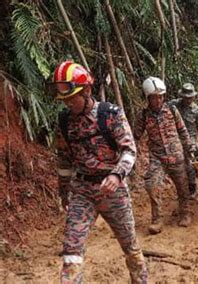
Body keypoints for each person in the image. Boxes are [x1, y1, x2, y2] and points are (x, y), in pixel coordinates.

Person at [52, 61, 147, 283]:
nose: (68, 102)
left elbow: (129, 150)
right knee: (71, 251)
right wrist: (64, 192)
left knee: (130, 245)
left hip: (113, 191)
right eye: (64, 98)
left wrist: (117, 174)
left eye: (72, 97)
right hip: (82, 192)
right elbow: (64, 160)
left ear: (86, 90)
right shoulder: (64, 121)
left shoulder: (110, 115)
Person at [134, 77, 195, 234]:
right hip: (157, 157)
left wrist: (189, 147)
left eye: (161, 96)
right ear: (148, 98)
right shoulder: (143, 116)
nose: (158, 100)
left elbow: (182, 130)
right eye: (155, 97)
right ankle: (157, 219)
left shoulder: (172, 111)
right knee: (151, 185)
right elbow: (136, 135)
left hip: (176, 155)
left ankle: (185, 212)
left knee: (182, 186)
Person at [168, 83, 198, 200]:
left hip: (190, 140)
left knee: (190, 165)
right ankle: (181, 191)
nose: (189, 100)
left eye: (191, 97)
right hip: (175, 139)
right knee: (176, 166)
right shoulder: (174, 105)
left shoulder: (196, 111)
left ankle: (193, 189)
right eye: (186, 97)